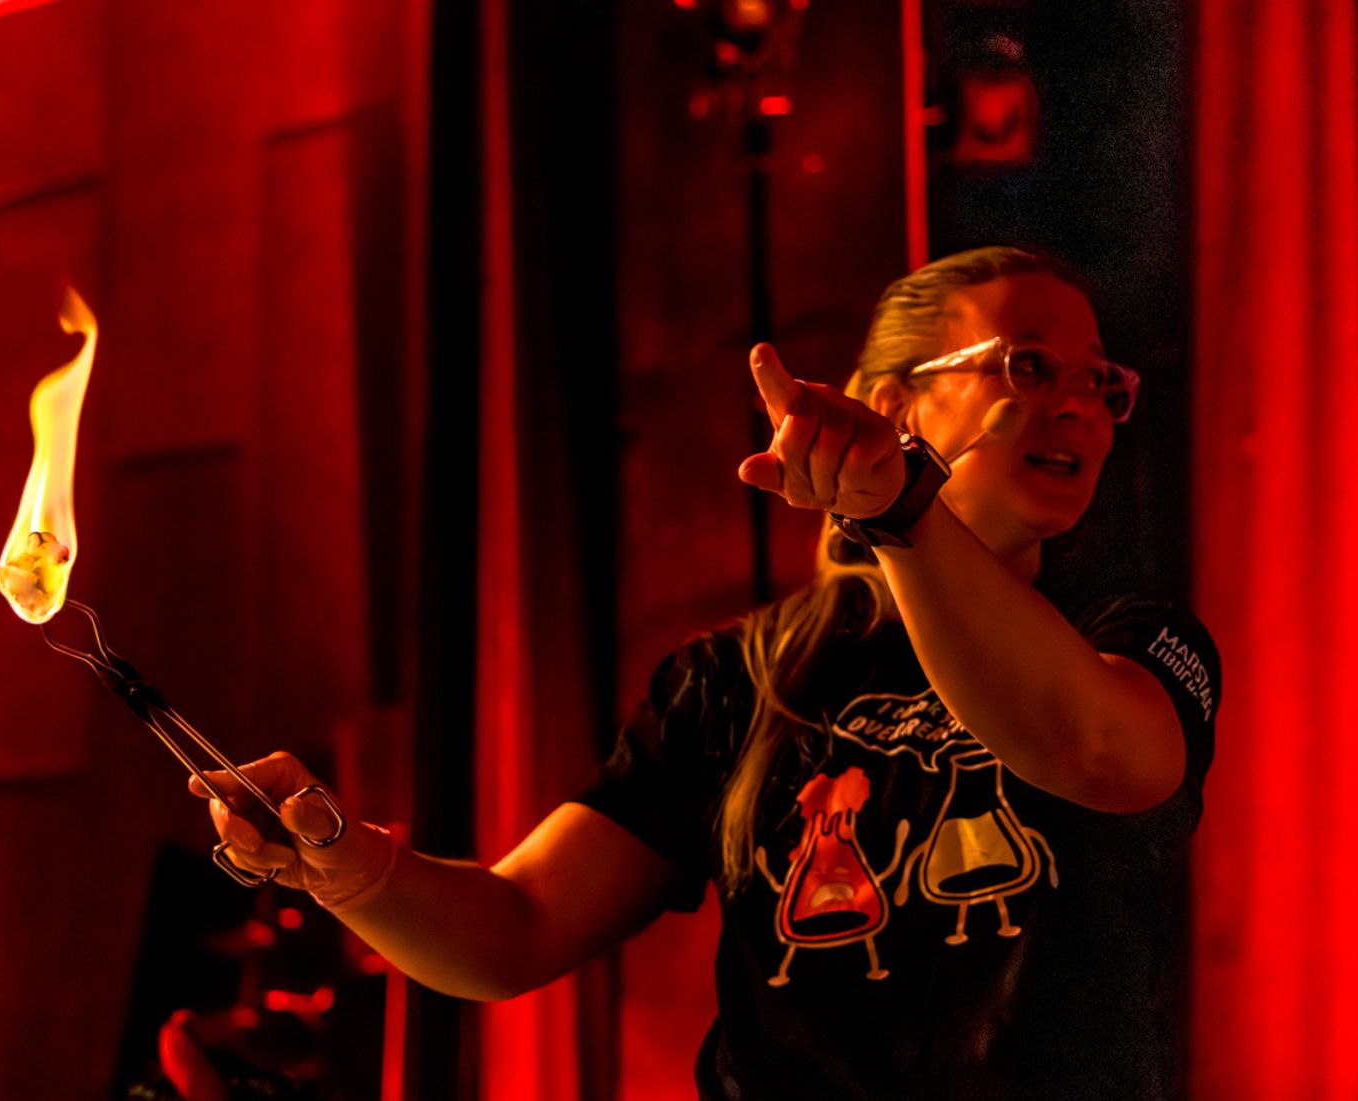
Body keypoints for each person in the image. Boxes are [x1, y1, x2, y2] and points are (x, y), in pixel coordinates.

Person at [189, 247, 1220, 1099]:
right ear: (894, 403)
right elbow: (517, 928)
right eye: (1030, 366)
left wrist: (901, 511)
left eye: (1101, 381)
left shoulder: (1130, 636)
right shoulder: (739, 676)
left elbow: (1095, 749)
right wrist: (340, 863)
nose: (1081, 405)